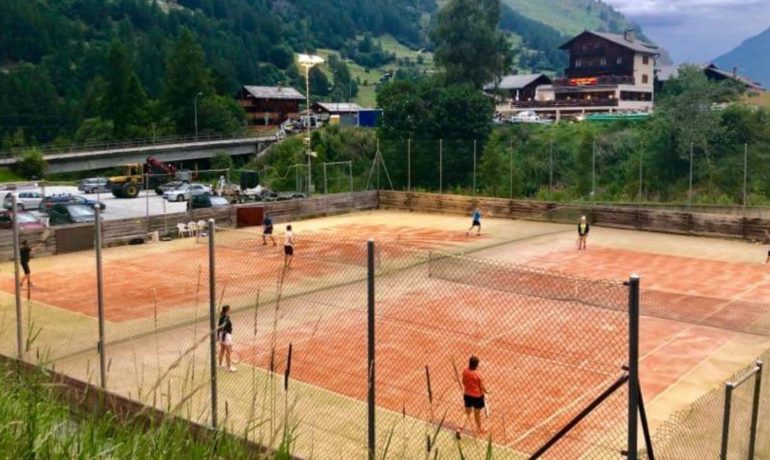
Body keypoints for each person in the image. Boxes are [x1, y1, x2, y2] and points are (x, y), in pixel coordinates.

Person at [456, 355, 488, 439]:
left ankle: (459, 428)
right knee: (477, 413)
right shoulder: (478, 375)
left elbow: (463, 382)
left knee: (466, 412)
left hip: (467, 395)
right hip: (477, 396)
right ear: (476, 365)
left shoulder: (465, 371)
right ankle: (479, 428)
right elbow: (481, 387)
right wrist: (487, 391)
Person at [217, 305, 236, 372]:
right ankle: (229, 367)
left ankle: (220, 365)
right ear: (227, 310)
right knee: (228, 352)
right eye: (229, 309)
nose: (230, 310)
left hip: (221, 335)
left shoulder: (221, 317)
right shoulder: (226, 318)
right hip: (226, 335)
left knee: (222, 350)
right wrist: (224, 335)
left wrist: (218, 336)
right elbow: (223, 326)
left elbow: (219, 327)